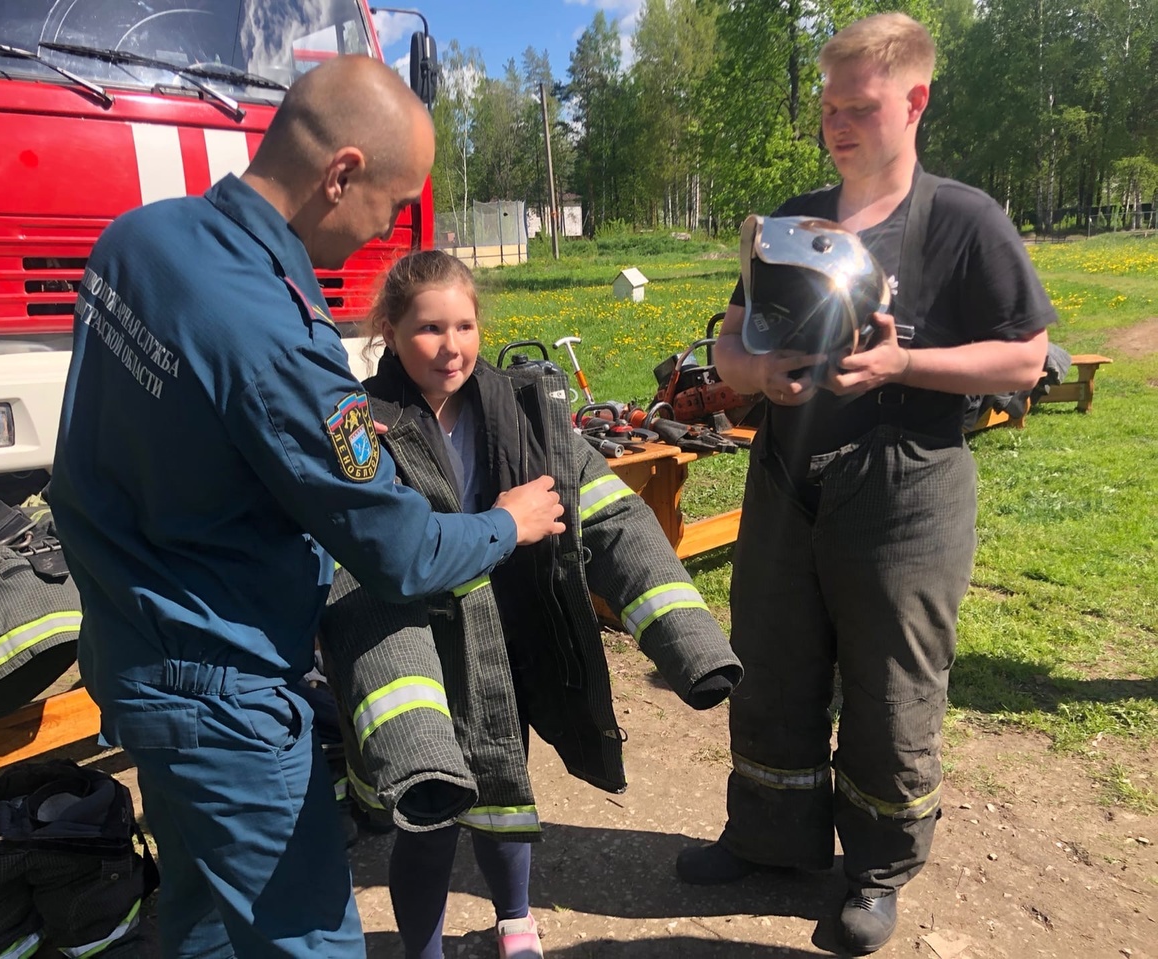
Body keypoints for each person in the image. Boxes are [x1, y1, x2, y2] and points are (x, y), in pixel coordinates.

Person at [47, 56, 566, 959]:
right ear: (342, 175)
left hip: (132, 653)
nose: (386, 233)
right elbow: (397, 552)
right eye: (391, 206)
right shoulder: (282, 341)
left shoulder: (137, 240)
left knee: (206, 918)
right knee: (307, 940)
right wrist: (506, 523)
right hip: (226, 696)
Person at [676, 12, 1055, 955]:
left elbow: (1026, 358)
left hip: (909, 489)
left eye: (860, 106)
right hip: (786, 473)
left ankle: (877, 868)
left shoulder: (965, 220)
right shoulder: (794, 220)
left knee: (891, 688)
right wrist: (754, 375)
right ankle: (769, 837)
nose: (837, 124)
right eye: (828, 107)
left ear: (915, 101)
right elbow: (731, 334)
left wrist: (902, 368)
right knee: (772, 660)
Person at [319, 250, 743, 959]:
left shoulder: (523, 410)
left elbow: (606, 513)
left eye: (463, 325)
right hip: (415, 652)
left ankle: (515, 917)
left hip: (504, 641)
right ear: (388, 331)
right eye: (427, 329)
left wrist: (688, 639)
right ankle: (422, 947)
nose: (449, 346)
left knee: (504, 795)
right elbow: (356, 555)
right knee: (429, 819)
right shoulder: (362, 425)